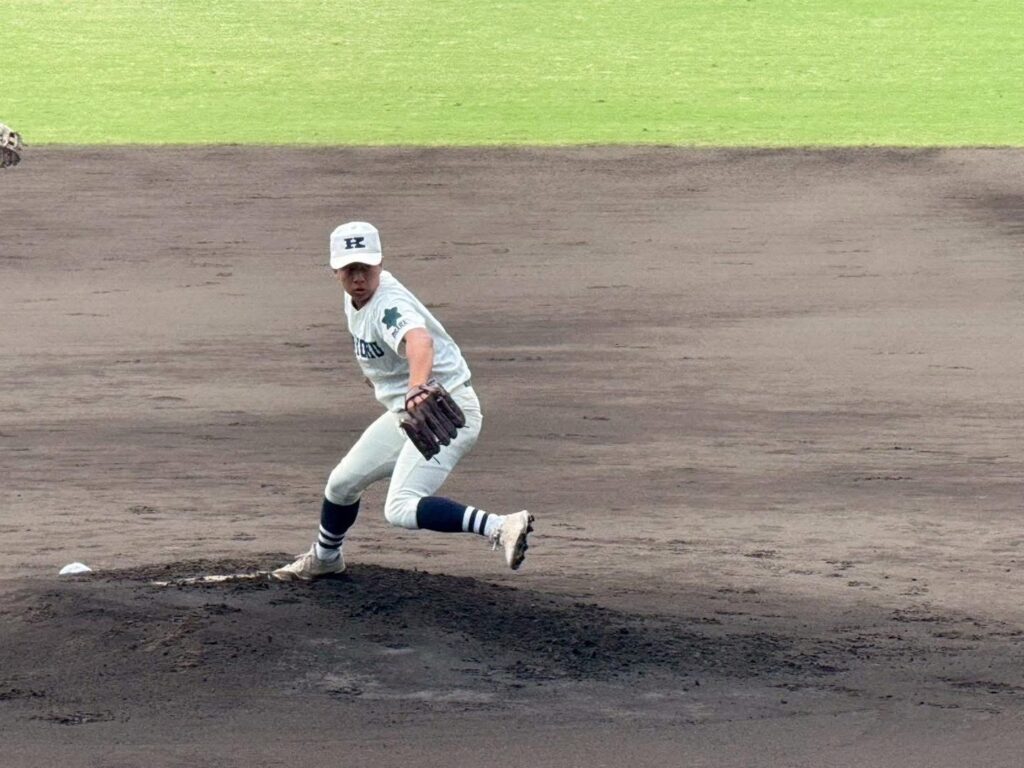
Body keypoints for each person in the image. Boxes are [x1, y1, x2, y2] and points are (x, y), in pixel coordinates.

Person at [273, 221, 534, 581]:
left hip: (449, 413)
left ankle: (500, 526)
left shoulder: (387, 305)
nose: (359, 276)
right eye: (350, 269)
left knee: (400, 507)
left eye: (366, 266)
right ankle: (326, 558)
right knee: (341, 483)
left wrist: (415, 387)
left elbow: (419, 340)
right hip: (409, 414)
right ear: (335, 270)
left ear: (380, 263)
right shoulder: (357, 300)